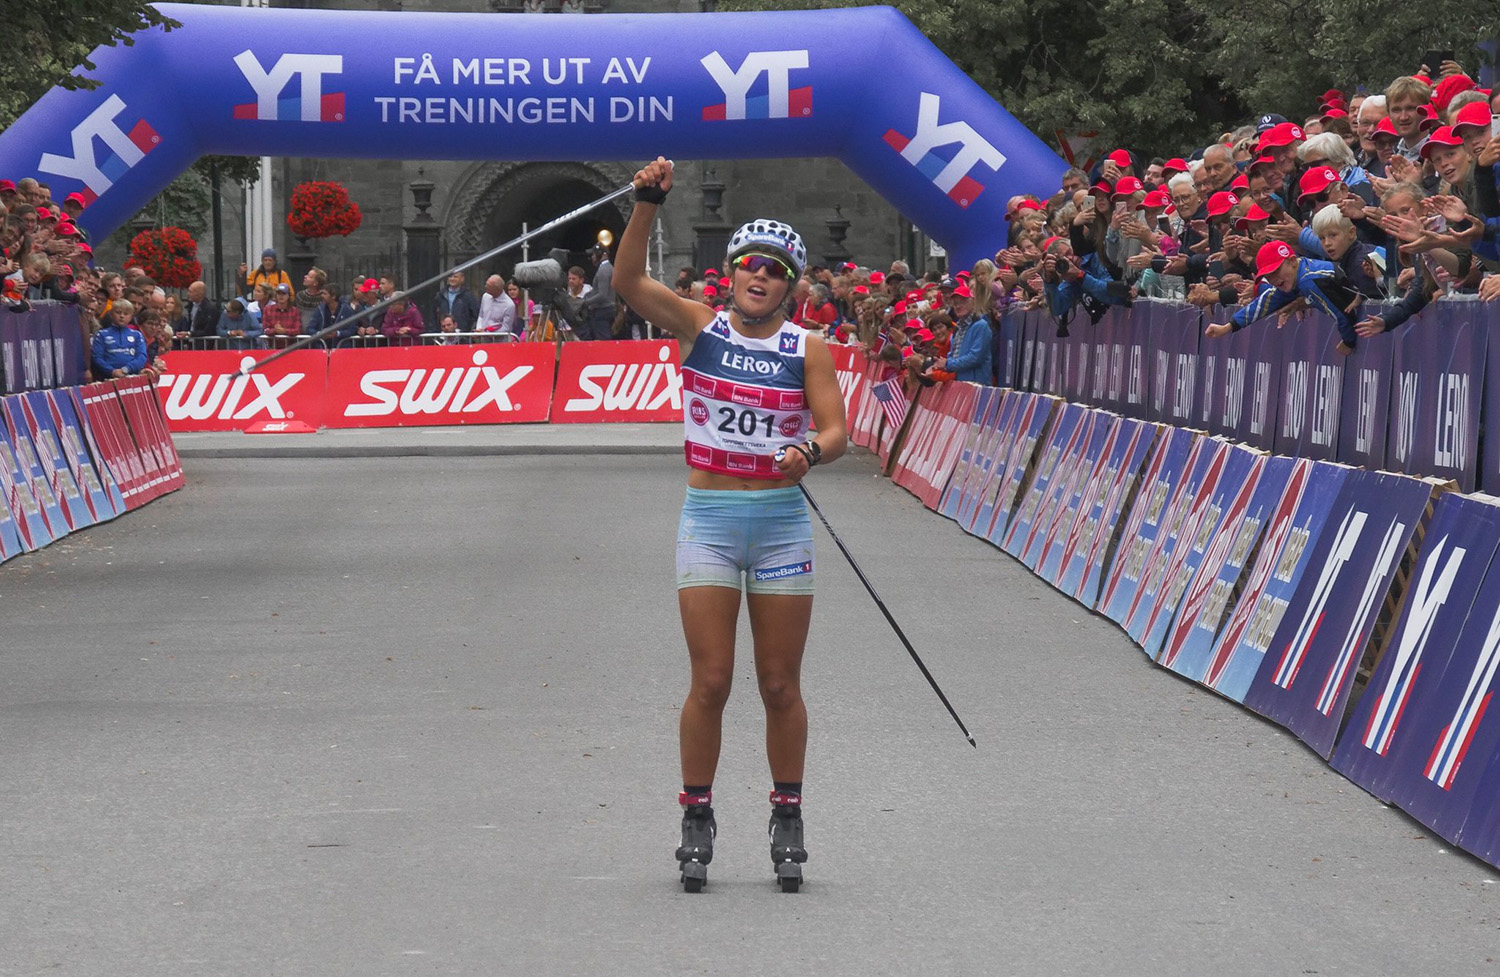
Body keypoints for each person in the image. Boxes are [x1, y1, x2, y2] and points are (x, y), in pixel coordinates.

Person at [613, 156, 847, 894]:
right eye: (749, 264)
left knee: (779, 683)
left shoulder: (807, 348)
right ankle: (695, 813)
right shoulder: (697, 324)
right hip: (710, 518)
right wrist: (647, 204)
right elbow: (626, 283)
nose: (759, 276)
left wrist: (807, 450)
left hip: (779, 523)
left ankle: (787, 812)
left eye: (775, 270)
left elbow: (837, 430)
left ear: (792, 286)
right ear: (730, 272)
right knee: (712, 678)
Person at [91, 299, 148, 377]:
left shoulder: (137, 335)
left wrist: (127, 369)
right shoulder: (101, 334)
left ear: (131, 317)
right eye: (118, 312)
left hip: (131, 376)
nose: (122, 316)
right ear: (111, 314)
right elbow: (97, 357)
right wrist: (111, 371)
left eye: (126, 313)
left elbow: (142, 356)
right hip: (107, 377)